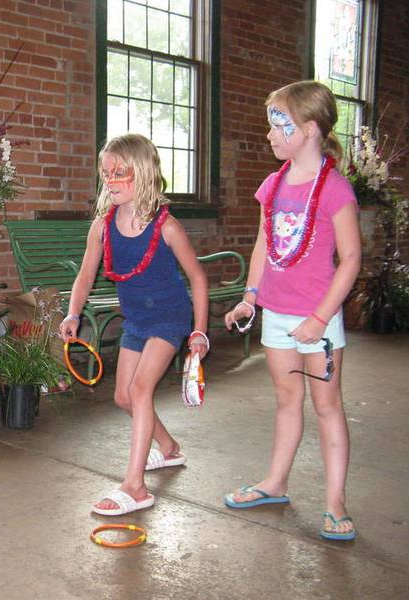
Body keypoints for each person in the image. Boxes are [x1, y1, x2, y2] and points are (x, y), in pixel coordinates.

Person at [223, 81, 361, 541]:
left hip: (318, 319)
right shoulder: (273, 185)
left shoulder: (335, 189)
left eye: (279, 124)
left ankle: (335, 501)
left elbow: (351, 259)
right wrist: (250, 297)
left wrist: (320, 319)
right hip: (278, 315)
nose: (269, 134)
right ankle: (275, 483)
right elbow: (264, 243)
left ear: (309, 129)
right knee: (286, 401)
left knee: (327, 405)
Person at [59, 133, 209, 516]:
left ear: (142, 173)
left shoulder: (167, 226)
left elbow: (197, 278)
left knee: (140, 389)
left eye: (119, 173)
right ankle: (169, 448)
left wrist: (199, 331)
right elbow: (85, 275)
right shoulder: (102, 226)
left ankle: (135, 486)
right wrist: (73, 313)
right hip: (137, 319)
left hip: (170, 317)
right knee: (123, 397)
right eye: (106, 173)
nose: (110, 181)